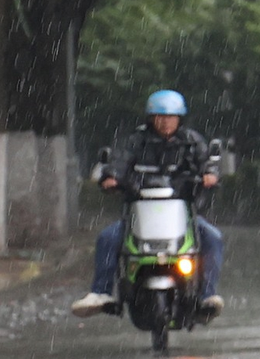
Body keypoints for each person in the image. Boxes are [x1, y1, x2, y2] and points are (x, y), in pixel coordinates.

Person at [71, 90, 224, 321]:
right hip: (139, 212)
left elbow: (207, 163)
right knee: (107, 238)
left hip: (183, 215)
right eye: (159, 116)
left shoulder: (192, 141)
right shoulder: (135, 141)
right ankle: (100, 292)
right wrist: (111, 177)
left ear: (179, 118)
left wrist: (210, 174)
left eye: (171, 116)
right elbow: (119, 162)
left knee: (213, 237)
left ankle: (207, 295)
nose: (165, 121)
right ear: (151, 118)